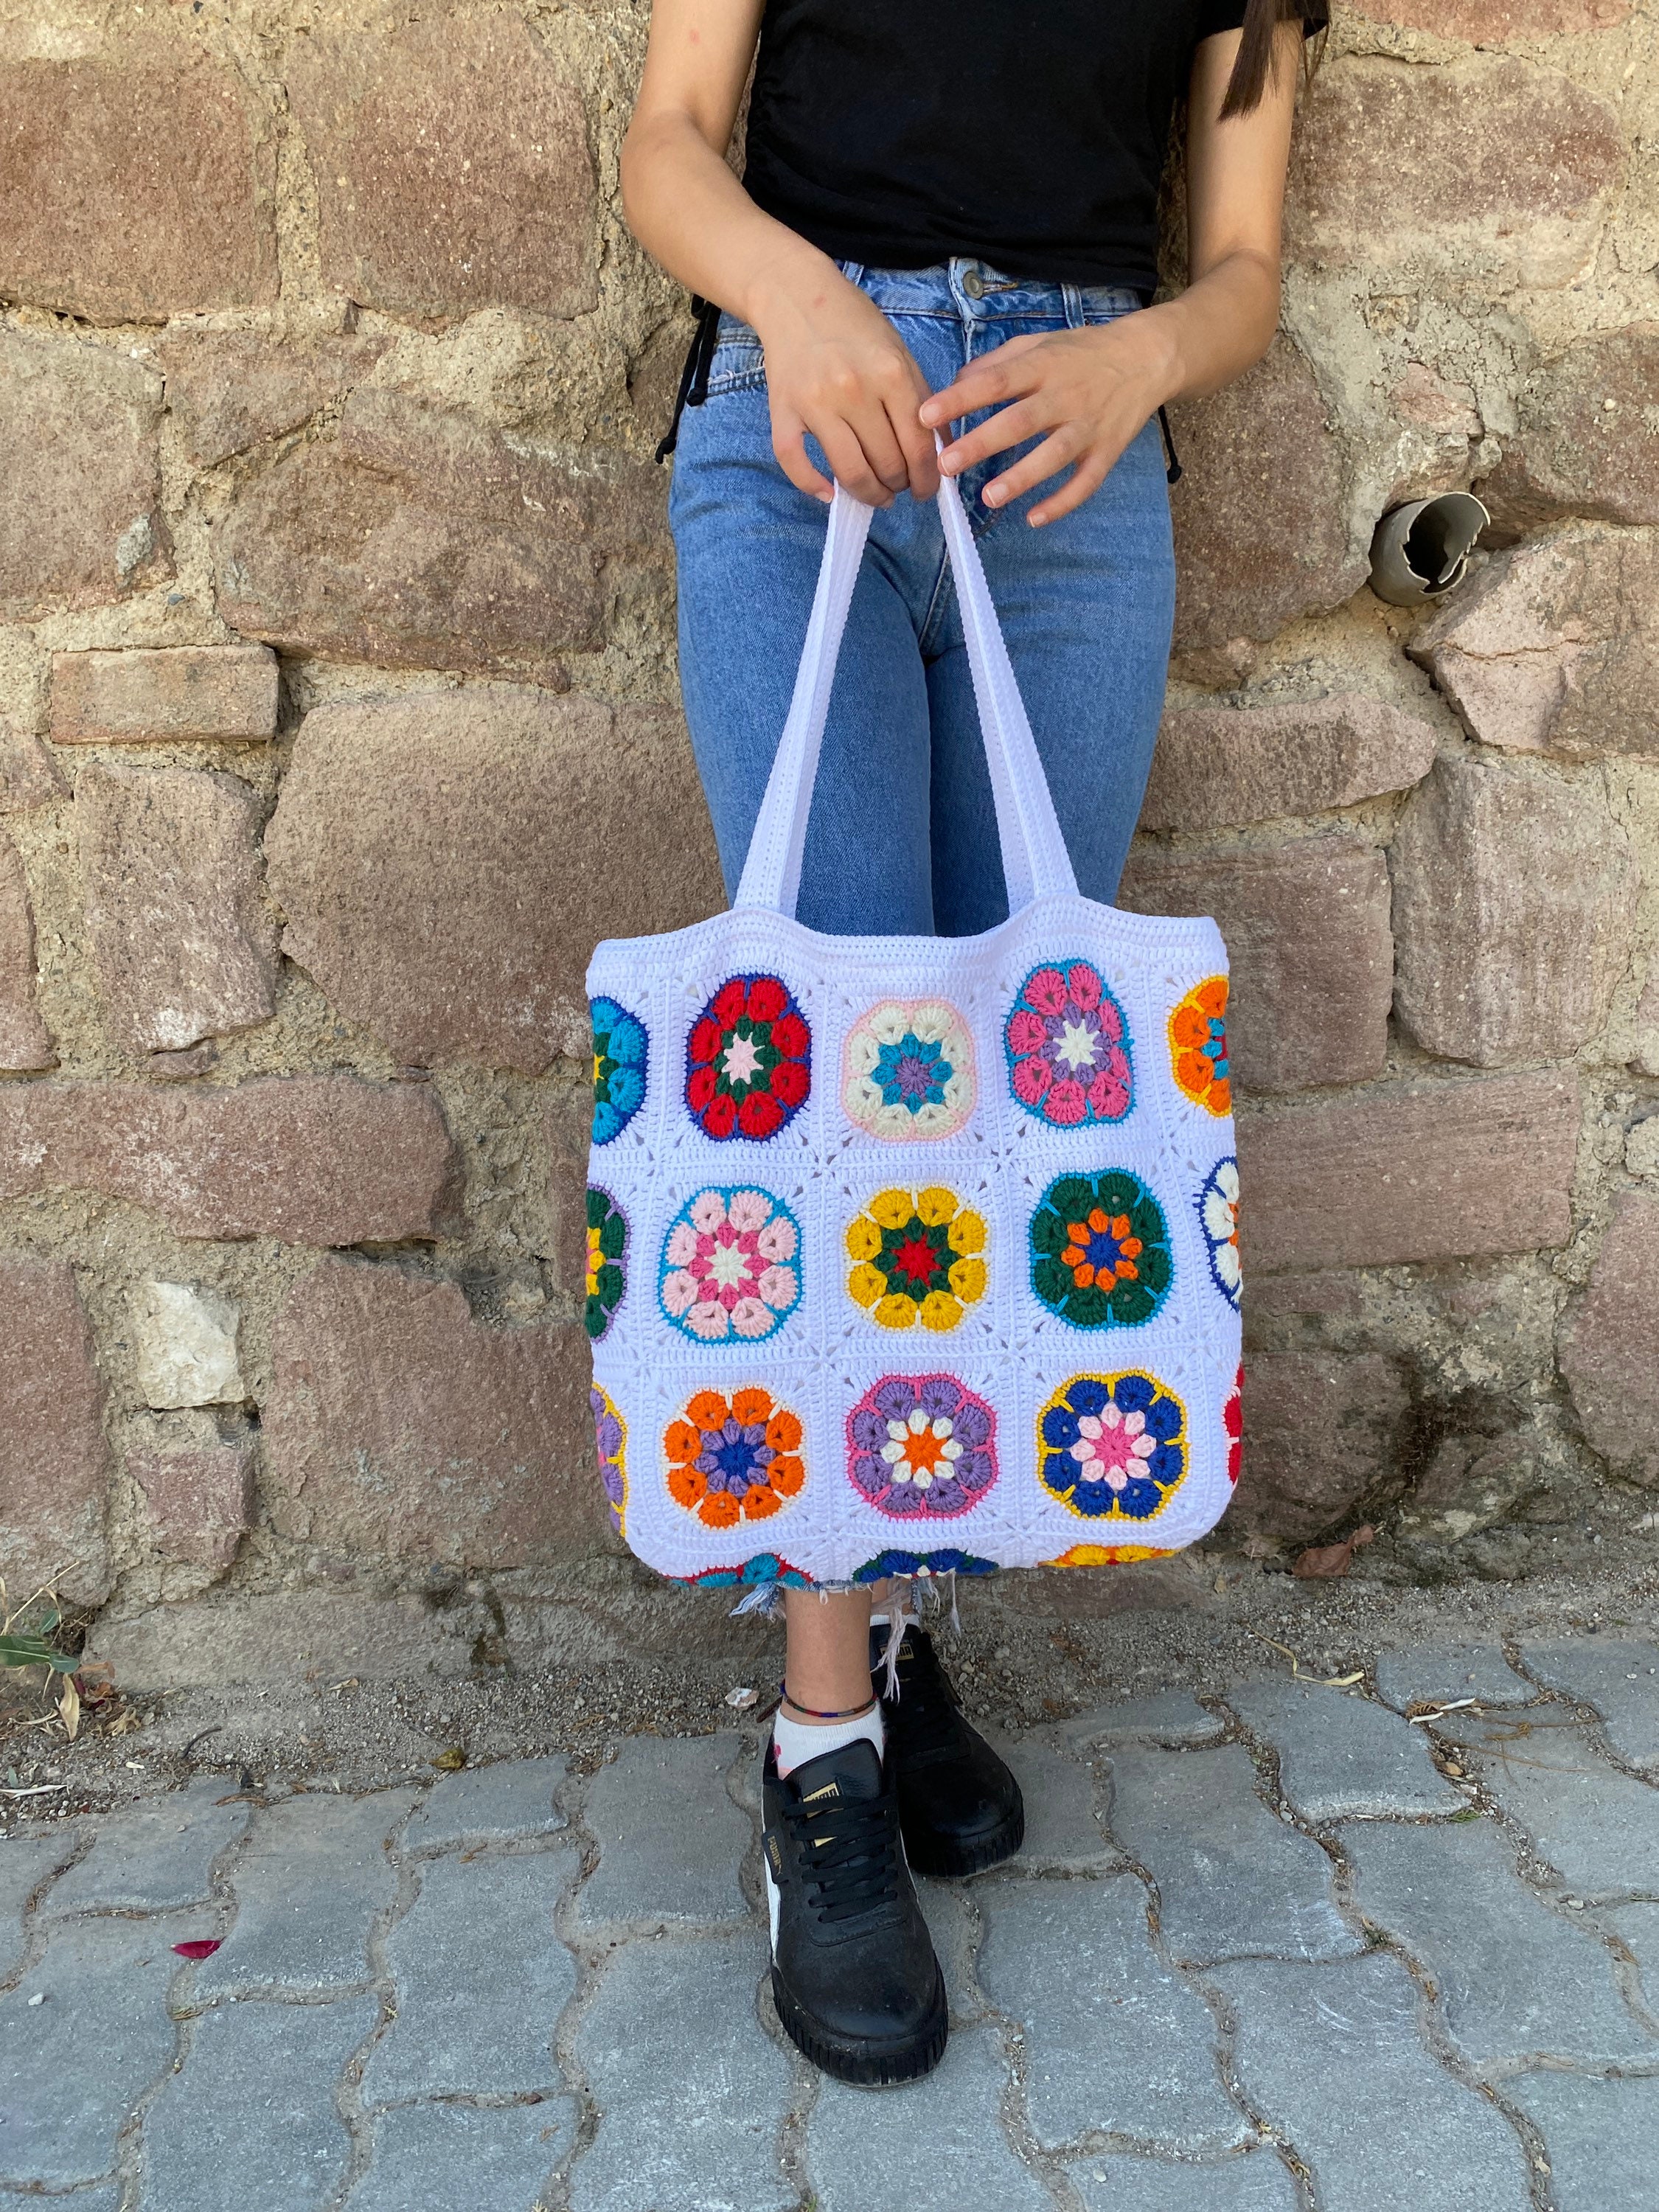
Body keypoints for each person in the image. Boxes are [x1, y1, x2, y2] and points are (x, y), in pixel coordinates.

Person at [620, 0, 1326, 2085]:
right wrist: (800, 298)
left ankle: (897, 1624)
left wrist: (1140, 352)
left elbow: (1245, 270)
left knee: (999, 1109)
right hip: (800, 434)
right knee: (832, 1125)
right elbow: (668, 139)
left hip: (1072, 480)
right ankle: (818, 1744)